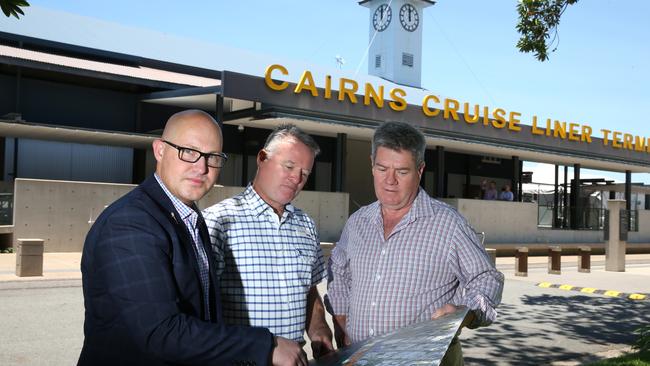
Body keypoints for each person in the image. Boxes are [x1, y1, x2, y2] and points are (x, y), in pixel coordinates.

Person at [79, 110, 307, 366]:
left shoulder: (188, 218)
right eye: (189, 151)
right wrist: (266, 345)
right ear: (160, 150)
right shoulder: (131, 223)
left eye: (213, 157)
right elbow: (159, 333)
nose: (202, 167)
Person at [327, 121, 504, 365]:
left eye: (401, 171)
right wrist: (343, 323)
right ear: (371, 164)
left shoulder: (447, 224)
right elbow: (339, 272)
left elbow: (486, 278)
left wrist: (465, 312)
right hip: (360, 358)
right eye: (381, 169)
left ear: (420, 170)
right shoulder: (357, 222)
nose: (389, 180)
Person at [203, 124, 334, 358]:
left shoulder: (306, 225)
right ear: (262, 158)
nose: (296, 178)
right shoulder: (218, 222)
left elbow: (311, 290)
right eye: (289, 166)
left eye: (305, 173)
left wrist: (318, 327)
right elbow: (202, 311)